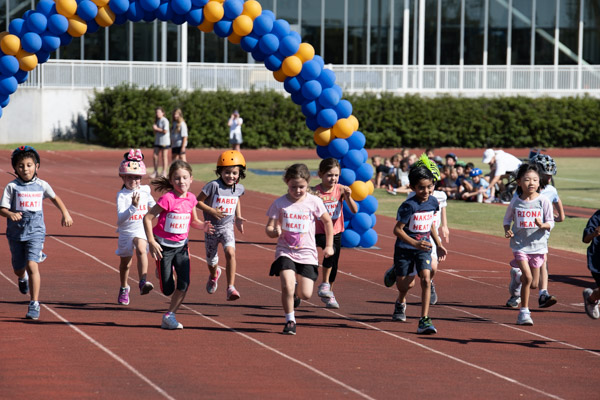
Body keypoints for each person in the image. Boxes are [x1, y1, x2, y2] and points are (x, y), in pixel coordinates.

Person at [0, 146, 73, 320]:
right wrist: (10, 214)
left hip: (36, 232)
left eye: (29, 165)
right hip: (16, 234)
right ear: (15, 168)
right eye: (21, 166)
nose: (25, 169)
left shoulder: (42, 185)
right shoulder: (12, 187)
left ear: (37, 166)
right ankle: (22, 277)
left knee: (32, 264)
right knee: (18, 268)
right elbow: (2, 208)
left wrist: (66, 213)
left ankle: (34, 303)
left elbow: (55, 198)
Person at [265, 164, 334, 335]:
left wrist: (329, 245)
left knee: (306, 294)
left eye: (301, 187)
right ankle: (290, 320)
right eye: (293, 187)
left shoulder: (314, 201)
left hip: (307, 253)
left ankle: (297, 294)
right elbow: (269, 228)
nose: (297, 190)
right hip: (285, 250)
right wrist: (274, 232)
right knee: (287, 285)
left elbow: (327, 222)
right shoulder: (279, 203)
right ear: (287, 183)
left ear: (308, 184)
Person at [143, 160, 212, 330]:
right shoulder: (167, 199)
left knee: (184, 284)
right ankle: (161, 270)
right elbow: (147, 218)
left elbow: (193, 221)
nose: (181, 181)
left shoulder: (191, 199)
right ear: (171, 180)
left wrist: (202, 226)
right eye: (177, 178)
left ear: (191, 179)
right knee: (167, 289)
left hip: (181, 247)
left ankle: (169, 315)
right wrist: (151, 241)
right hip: (163, 247)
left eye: (184, 178)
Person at [383, 155, 448, 334]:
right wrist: (414, 243)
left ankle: (424, 319)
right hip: (405, 248)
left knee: (426, 279)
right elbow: (397, 230)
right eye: (421, 188)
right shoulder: (408, 206)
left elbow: (431, 225)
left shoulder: (434, 202)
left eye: (429, 187)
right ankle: (400, 299)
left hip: (424, 248)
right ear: (412, 187)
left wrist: (439, 243)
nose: (426, 191)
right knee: (405, 286)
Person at [506, 154, 565, 309]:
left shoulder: (550, 191)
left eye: (550, 175)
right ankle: (519, 288)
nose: (549, 178)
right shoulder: (521, 193)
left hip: (541, 236)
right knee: (529, 274)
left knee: (543, 262)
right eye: (546, 174)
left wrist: (548, 222)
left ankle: (542, 292)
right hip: (522, 238)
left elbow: (559, 215)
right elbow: (514, 210)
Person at [503, 163, 554, 326]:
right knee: (529, 277)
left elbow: (551, 222)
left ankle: (517, 277)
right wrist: (508, 230)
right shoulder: (516, 202)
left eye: (535, 180)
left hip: (538, 247)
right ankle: (524, 312)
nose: (531, 183)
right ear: (519, 182)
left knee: (532, 284)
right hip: (520, 245)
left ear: (540, 182)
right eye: (527, 180)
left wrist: (542, 225)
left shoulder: (544, 201)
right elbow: (507, 220)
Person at [196, 150, 246, 301]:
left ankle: (231, 287)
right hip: (211, 228)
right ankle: (214, 275)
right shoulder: (213, 186)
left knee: (230, 253)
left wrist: (238, 217)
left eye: (235, 173)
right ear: (220, 171)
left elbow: (237, 199)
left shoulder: (239, 188)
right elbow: (197, 202)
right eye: (227, 172)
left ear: (240, 173)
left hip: (227, 228)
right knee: (212, 261)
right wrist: (212, 211)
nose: (231, 176)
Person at [313, 158, 358, 309]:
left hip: (336, 230)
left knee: (333, 263)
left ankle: (329, 291)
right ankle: (310, 285)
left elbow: (354, 210)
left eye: (336, 175)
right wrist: (314, 200)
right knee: (318, 256)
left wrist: (349, 196)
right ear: (320, 174)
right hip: (318, 231)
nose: (333, 179)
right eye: (329, 175)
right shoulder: (315, 191)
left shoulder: (341, 189)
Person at [115, 149, 156, 306]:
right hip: (126, 232)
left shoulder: (145, 190)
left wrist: (161, 212)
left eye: (137, 177)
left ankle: (143, 281)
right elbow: (120, 220)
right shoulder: (122, 195)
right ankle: (124, 287)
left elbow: (152, 205)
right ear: (123, 177)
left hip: (141, 229)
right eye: (130, 177)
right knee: (125, 263)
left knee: (141, 249)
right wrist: (133, 207)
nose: (134, 181)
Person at [582, 208, 600, 319]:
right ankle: (591, 299)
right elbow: (585, 239)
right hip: (598, 259)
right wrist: (594, 233)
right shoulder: (598, 216)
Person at [151, 107, 170, 178]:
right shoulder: (157, 121)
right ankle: (155, 171)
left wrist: (156, 128)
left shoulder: (165, 121)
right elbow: (155, 132)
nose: (157, 114)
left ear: (163, 113)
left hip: (164, 141)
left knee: (164, 157)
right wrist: (154, 129)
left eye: (159, 112)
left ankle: (164, 172)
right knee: (155, 156)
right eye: (156, 112)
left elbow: (165, 131)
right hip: (158, 141)